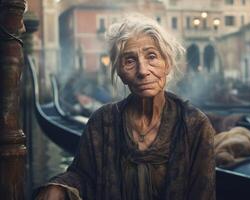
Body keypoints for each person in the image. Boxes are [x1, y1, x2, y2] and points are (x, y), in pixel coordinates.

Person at [36, 14, 216, 200]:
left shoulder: (195, 125)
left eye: (152, 56)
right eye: (130, 61)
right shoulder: (102, 121)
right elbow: (82, 176)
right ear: (120, 73)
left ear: (167, 64)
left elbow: (203, 194)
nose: (143, 71)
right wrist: (59, 187)